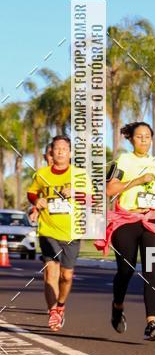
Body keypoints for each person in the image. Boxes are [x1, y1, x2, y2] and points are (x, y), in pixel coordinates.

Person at [97, 122, 155, 341]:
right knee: (125, 270)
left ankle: (151, 323)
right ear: (131, 139)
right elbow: (110, 189)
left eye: (147, 137)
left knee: (152, 270)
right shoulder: (122, 161)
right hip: (127, 220)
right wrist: (137, 180)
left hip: (151, 221)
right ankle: (117, 307)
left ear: (152, 139)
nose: (144, 140)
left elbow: (152, 189)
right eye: (139, 136)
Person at [27, 136, 86, 331]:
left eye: (64, 148)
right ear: (51, 152)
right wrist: (36, 201)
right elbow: (32, 192)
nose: (60, 151)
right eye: (57, 148)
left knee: (66, 276)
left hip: (72, 232)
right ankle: (53, 312)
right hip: (48, 230)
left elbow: (92, 198)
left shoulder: (80, 174)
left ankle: (61, 306)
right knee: (51, 272)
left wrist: (75, 192)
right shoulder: (42, 174)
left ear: (70, 152)